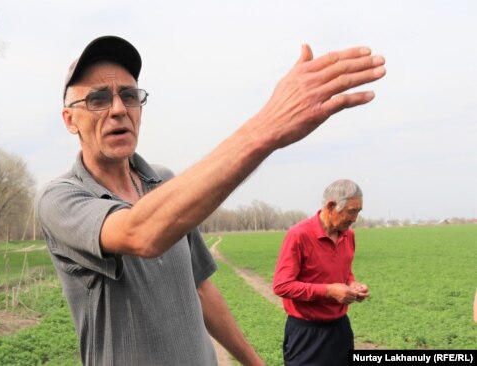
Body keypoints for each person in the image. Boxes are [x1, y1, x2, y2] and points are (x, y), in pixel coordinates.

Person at [37, 35, 385, 365]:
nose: (118, 109)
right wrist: (266, 130)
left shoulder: (164, 183)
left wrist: (254, 362)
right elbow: (138, 233)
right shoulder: (61, 198)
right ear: (70, 120)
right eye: (97, 99)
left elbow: (201, 289)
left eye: (129, 95)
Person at [272, 179, 369, 366]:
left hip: (340, 329)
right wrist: (329, 291)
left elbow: (345, 272)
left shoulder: (349, 236)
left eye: (358, 211)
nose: (355, 218)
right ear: (331, 206)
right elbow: (282, 285)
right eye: (351, 211)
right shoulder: (299, 235)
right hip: (307, 334)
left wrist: (353, 285)